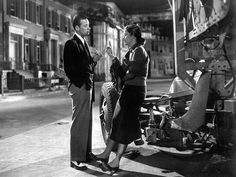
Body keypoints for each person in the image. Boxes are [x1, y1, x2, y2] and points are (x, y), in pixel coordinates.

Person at [90, 24, 149, 175]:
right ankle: (105, 154)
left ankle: (116, 161)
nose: (123, 37)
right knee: (117, 122)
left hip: (135, 91)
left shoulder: (139, 51)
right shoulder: (132, 51)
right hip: (129, 90)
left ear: (132, 36)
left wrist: (124, 71)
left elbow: (128, 73)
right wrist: (111, 57)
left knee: (124, 124)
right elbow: (124, 71)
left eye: (125, 35)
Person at [63, 14, 102, 171]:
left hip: (86, 86)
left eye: (88, 25)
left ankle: (86, 153)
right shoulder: (71, 44)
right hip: (80, 87)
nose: (89, 27)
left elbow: (86, 66)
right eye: (85, 25)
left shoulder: (83, 42)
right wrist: (81, 83)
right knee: (79, 122)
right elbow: (70, 69)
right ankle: (76, 158)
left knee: (87, 122)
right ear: (77, 27)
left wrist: (94, 60)